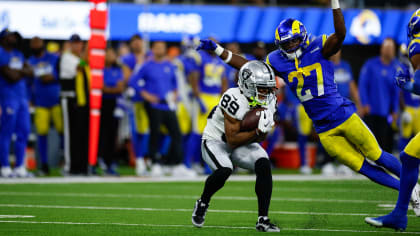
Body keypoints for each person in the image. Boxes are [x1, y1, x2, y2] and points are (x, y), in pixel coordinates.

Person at [197, 0, 420, 214]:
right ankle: (409, 192)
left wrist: (335, 3)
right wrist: (218, 51)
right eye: (286, 43)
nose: (291, 45)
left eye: (294, 41)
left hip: (343, 114)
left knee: (377, 154)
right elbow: (250, 67)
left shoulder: (318, 46)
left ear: (302, 37)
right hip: (324, 129)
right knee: (363, 168)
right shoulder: (277, 60)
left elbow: (340, 34)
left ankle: (415, 186)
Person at [191, 60, 280, 232]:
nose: (266, 93)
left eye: (268, 88)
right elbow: (232, 139)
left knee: (263, 164)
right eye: (261, 88)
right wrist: (256, 132)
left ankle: (263, 219)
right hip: (216, 140)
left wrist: (261, 132)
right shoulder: (232, 97)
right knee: (225, 169)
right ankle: (203, 202)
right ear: (247, 85)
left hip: (243, 142)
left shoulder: (270, 101)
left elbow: (261, 136)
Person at [365, 8, 420, 231]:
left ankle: (399, 214)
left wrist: (405, 84)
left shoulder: (417, 44)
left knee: (407, 156)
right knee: (408, 156)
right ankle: (399, 215)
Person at [130, 41, 191, 177]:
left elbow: (175, 84)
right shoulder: (147, 66)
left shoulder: (170, 65)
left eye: (162, 48)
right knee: (155, 134)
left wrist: (175, 94)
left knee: (176, 133)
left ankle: (177, 164)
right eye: (157, 48)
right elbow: (133, 81)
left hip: (168, 105)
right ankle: (155, 163)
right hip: (154, 105)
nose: (159, 50)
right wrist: (146, 94)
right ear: (152, 49)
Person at [27, 37, 62, 176]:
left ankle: (65, 162)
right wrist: (30, 98)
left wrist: (49, 76)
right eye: (33, 43)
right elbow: (29, 82)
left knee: (62, 132)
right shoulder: (30, 61)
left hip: (56, 100)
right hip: (40, 101)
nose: (36, 45)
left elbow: (57, 75)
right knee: (41, 133)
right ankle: (44, 164)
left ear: (43, 44)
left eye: (38, 43)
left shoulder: (53, 58)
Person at [358, 38, 400, 153]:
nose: (389, 51)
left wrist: (395, 110)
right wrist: (364, 103)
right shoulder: (370, 65)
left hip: (386, 113)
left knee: (385, 142)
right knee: (370, 141)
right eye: (387, 48)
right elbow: (362, 85)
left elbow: (396, 92)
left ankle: (385, 167)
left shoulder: (396, 68)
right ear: (382, 49)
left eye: (391, 48)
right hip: (370, 111)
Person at [0, 29, 32, 177]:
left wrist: (19, 71)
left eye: (14, 36)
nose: (13, 38)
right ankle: (5, 166)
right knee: (6, 132)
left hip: (22, 97)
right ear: (3, 38)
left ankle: (20, 166)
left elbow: (31, 71)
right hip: (8, 97)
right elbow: (10, 76)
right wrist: (21, 71)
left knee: (24, 131)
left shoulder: (18, 54)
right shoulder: (1, 53)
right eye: (10, 36)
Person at [59, 34, 90, 175]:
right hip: (70, 99)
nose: (78, 46)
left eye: (80, 43)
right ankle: (69, 166)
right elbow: (80, 67)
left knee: (81, 134)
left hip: (82, 101)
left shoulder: (80, 58)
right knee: (70, 134)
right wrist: (90, 48)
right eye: (75, 43)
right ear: (70, 45)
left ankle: (81, 166)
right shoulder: (67, 57)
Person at [122, 34, 149, 176]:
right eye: (135, 42)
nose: (138, 44)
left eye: (140, 42)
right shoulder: (128, 59)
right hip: (135, 99)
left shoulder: (149, 56)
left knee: (147, 131)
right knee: (137, 131)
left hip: (149, 99)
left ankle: (147, 159)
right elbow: (127, 79)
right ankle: (138, 159)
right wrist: (139, 66)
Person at [98, 47, 125, 176]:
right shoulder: (99, 70)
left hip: (115, 105)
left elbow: (120, 87)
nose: (111, 56)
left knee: (112, 135)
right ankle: (99, 161)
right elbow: (100, 88)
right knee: (101, 134)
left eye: (113, 53)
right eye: (108, 53)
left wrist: (108, 89)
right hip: (101, 104)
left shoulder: (117, 70)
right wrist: (110, 89)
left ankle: (109, 163)